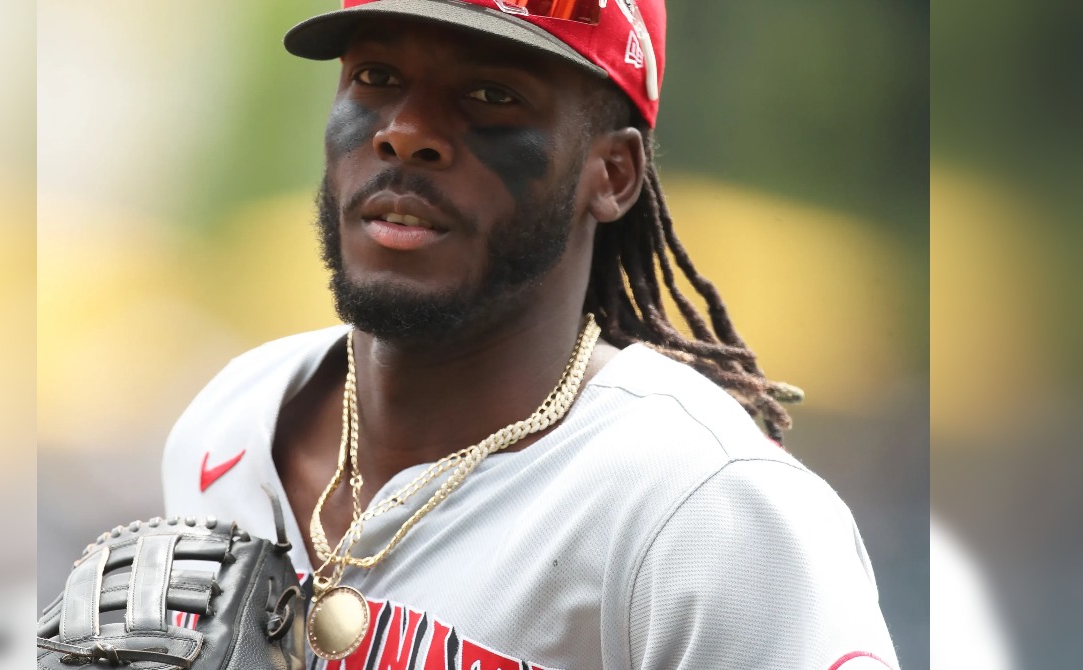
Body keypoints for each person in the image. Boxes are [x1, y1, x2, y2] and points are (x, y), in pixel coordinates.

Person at [163, 1, 900, 667]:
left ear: (613, 174)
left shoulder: (705, 506)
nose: (405, 133)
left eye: (491, 95)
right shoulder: (228, 425)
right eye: (376, 76)